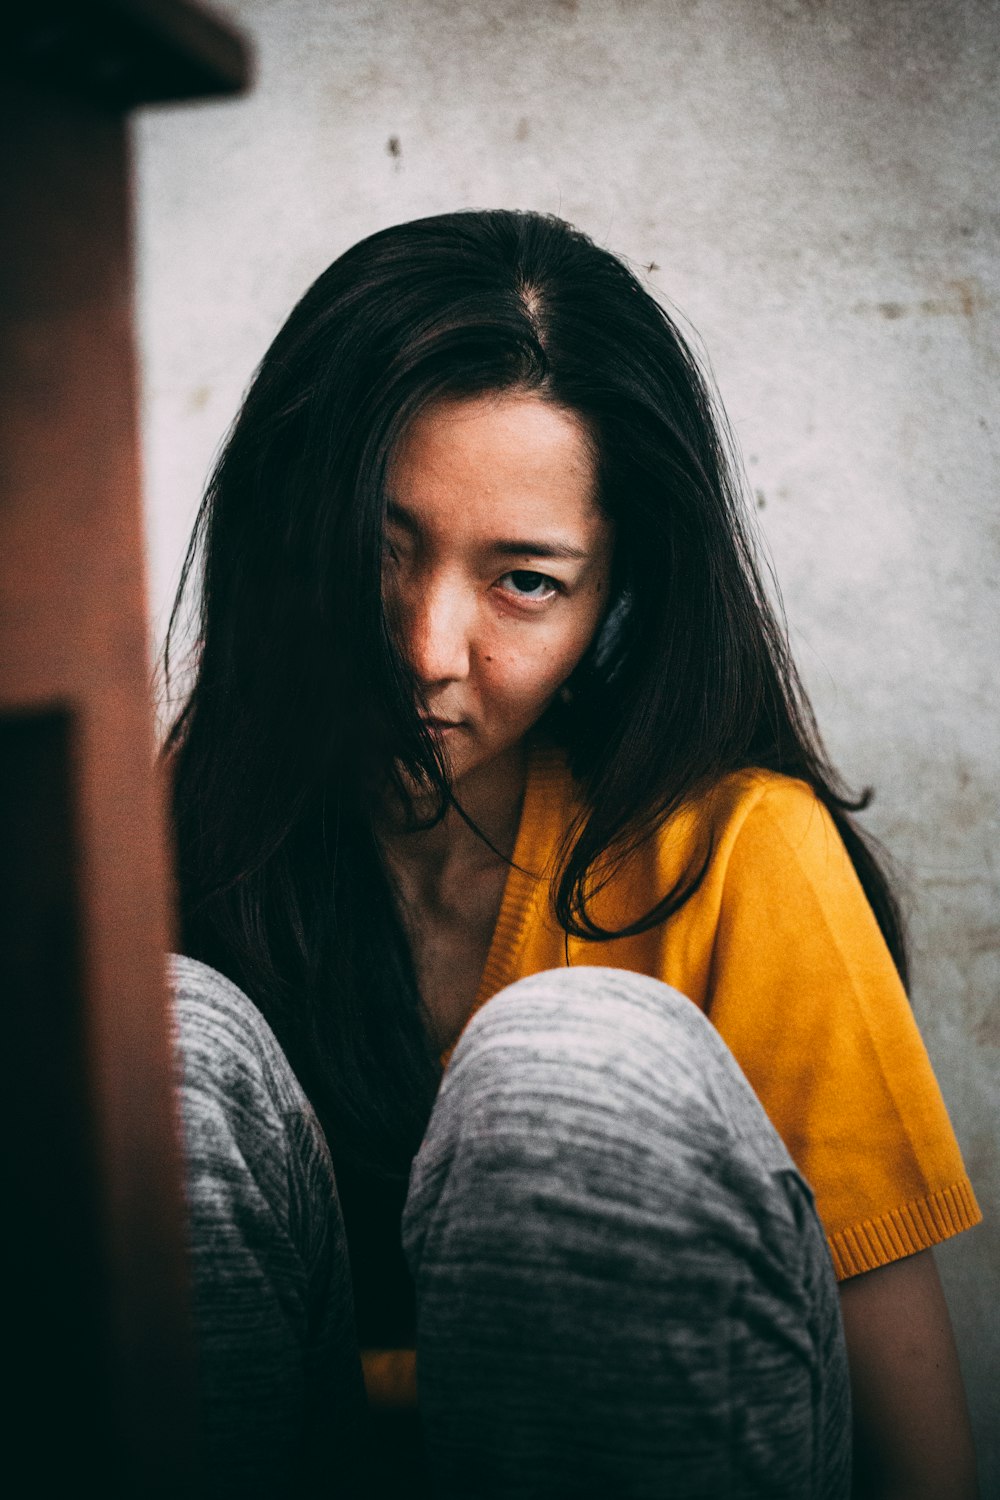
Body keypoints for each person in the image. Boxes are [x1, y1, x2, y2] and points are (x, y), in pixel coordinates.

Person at [164, 210, 981, 1497]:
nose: (427, 649)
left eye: (525, 582)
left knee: (568, 1058)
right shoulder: (188, 833)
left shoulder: (741, 853)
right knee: (165, 1035)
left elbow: (916, 1459)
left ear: (616, 604)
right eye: (375, 553)